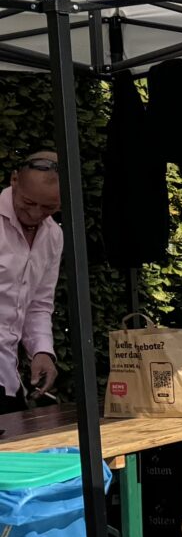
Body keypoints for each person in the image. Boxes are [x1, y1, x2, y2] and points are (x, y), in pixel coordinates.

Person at [0, 147, 63, 409]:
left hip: (7, 375)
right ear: (14, 180)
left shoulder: (53, 235)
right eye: (28, 203)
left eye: (49, 207)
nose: (36, 214)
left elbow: (38, 304)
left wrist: (42, 351)